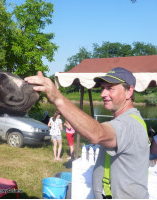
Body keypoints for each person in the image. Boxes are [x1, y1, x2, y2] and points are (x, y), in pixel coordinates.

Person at [25, 67, 149, 198]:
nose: (103, 94)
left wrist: (58, 98)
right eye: (103, 88)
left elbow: (97, 134)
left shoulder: (130, 124)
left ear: (129, 91)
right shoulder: (126, 120)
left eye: (110, 88)